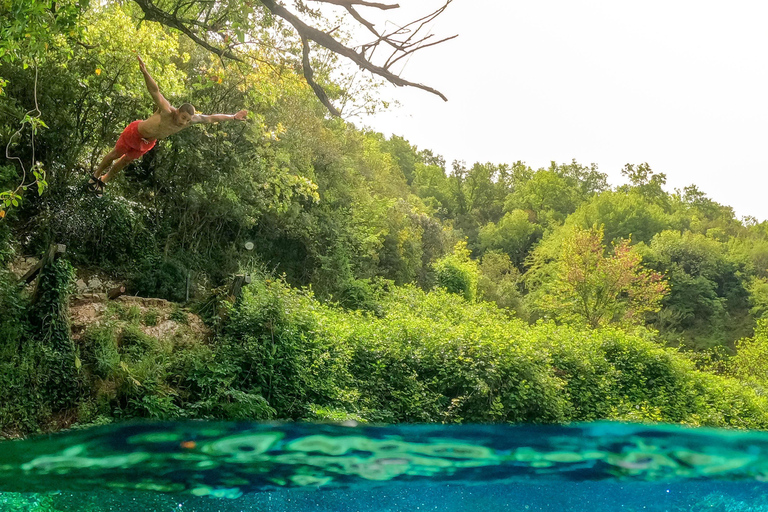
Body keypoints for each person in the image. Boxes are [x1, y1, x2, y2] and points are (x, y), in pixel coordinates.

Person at [88, 54, 248, 197]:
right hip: (135, 132)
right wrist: (145, 73)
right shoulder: (166, 110)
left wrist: (233, 117)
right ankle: (95, 175)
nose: (184, 122)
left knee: (125, 161)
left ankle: (103, 180)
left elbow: (211, 118)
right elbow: (154, 91)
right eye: (183, 117)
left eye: (187, 120)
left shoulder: (189, 121)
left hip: (147, 143)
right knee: (115, 154)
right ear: (178, 111)